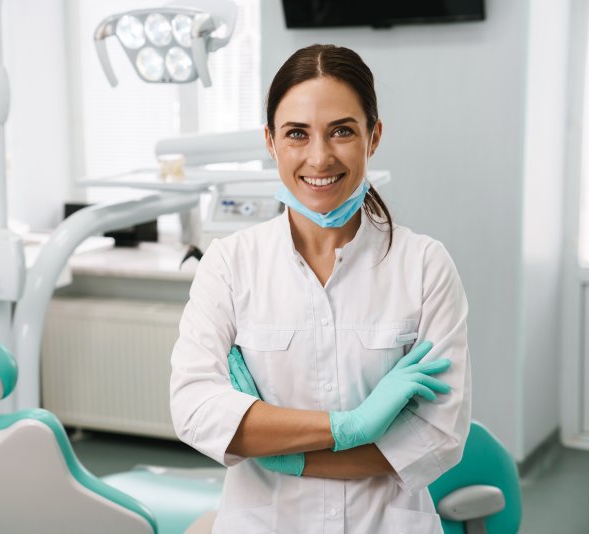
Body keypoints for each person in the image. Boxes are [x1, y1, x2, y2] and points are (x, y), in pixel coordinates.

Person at [170, 44, 471, 534]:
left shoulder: (424, 266)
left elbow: (437, 437)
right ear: (270, 141)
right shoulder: (229, 265)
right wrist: (350, 428)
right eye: (296, 134)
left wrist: (280, 452)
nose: (319, 156)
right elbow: (196, 411)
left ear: (374, 136)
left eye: (342, 131)